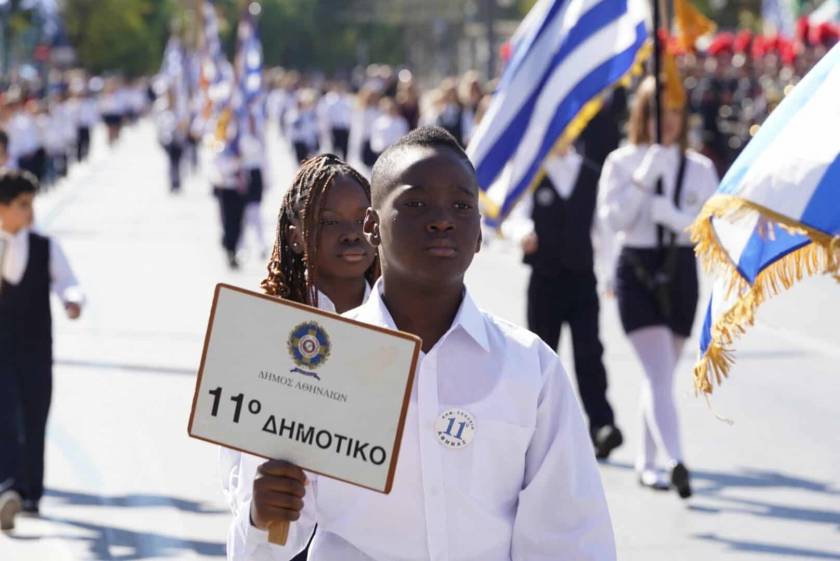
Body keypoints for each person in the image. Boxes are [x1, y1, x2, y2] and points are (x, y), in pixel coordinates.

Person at [228, 127, 615, 561]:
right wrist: (261, 518)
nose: (442, 219)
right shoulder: (309, 368)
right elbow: (259, 550)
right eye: (414, 204)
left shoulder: (530, 368)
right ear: (372, 225)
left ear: (480, 232)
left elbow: (572, 537)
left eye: (461, 205)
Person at [221, 154, 378, 561]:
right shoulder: (265, 339)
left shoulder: (403, 333)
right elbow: (243, 499)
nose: (352, 234)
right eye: (329, 221)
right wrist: (259, 515)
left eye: (363, 218)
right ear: (294, 236)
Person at [598, 76, 718, 498]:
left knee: (661, 375)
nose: (666, 120)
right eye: (657, 110)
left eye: (673, 111)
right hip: (637, 268)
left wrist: (671, 215)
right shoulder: (621, 162)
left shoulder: (699, 166)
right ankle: (676, 459)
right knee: (657, 371)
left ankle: (648, 461)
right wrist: (644, 180)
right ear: (641, 114)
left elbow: (708, 226)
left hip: (680, 268)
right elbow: (613, 221)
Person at [502, 142, 623, 460]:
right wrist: (523, 234)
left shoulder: (590, 174)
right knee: (541, 356)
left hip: (582, 279)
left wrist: (610, 274)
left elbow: (604, 231)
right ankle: (537, 430)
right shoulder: (534, 172)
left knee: (590, 352)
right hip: (545, 278)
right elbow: (517, 215)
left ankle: (602, 425)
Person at [0, 170, 84, 530]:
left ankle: (31, 492)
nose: (29, 212)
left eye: (31, 204)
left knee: (35, 417)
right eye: (22, 205)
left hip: (36, 348)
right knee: (6, 417)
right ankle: (9, 488)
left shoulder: (45, 245)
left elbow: (68, 282)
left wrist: (72, 301)